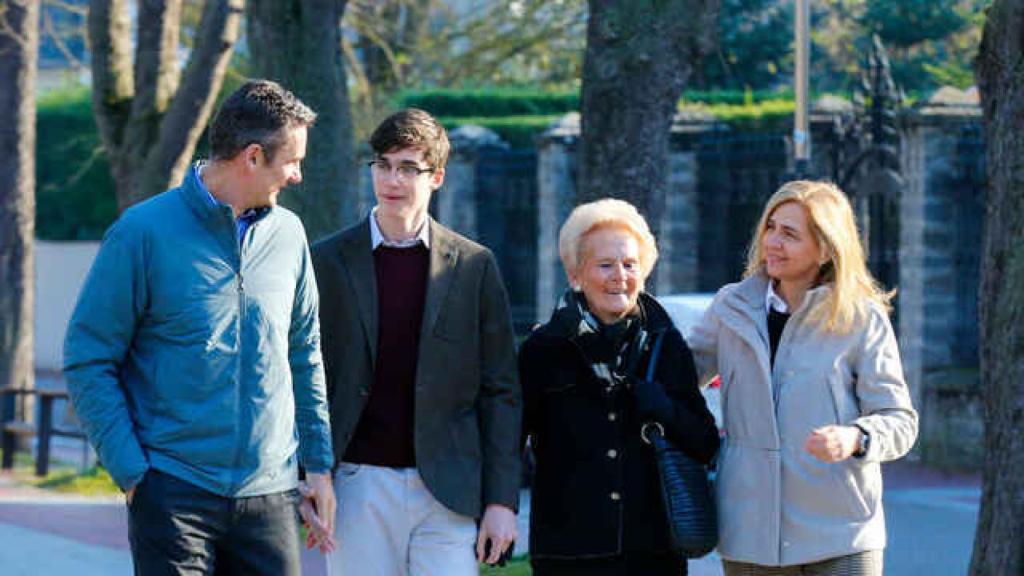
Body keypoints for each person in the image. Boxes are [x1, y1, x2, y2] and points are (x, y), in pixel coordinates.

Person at [63, 79, 336, 575]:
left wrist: (317, 464)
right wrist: (131, 471)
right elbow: (89, 357)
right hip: (173, 493)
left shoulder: (290, 236)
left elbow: (305, 351)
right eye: (292, 160)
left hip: (270, 495)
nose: (297, 175)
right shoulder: (141, 233)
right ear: (253, 157)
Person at [311, 108, 521, 575]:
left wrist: (502, 500)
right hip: (357, 483)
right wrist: (311, 473)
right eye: (383, 165)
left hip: (448, 491)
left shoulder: (473, 266)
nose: (393, 179)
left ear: (438, 176)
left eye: (409, 168)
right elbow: (305, 377)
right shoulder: (326, 261)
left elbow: (501, 389)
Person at [689, 180, 919, 575]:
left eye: (790, 234)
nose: (773, 243)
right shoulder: (731, 307)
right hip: (750, 535)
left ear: (827, 248)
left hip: (842, 533)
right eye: (770, 228)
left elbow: (900, 420)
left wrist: (856, 437)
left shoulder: (861, 318)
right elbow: (677, 376)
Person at [519, 198, 720, 576]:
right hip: (568, 552)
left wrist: (665, 409)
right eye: (606, 265)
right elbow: (510, 439)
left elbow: (706, 442)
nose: (620, 276)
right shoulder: (543, 349)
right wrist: (496, 509)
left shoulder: (666, 344)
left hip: (654, 552)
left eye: (630, 265)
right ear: (576, 273)